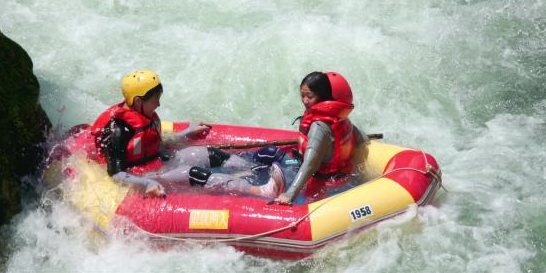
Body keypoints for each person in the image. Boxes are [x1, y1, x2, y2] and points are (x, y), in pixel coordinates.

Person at [91, 69, 285, 199]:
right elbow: (116, 174)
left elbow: (155, 143)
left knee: (210, 154)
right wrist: (147, 183)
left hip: (158, 162)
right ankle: (262, 191)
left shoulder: (144, 114)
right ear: (138, 101)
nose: (158, 104)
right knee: (196, 174)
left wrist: (186, 133)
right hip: (141, 175)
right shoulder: (118, 130)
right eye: (154, 101)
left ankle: (256, 169)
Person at [273, 71, 369, 205]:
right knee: (272, 153)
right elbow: (363, 140)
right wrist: (360, 173)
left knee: (273, 159)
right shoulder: (340, 117)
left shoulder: (319, 127)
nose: (305, 100)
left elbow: (310, 164)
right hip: (341, 175)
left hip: (322, 181)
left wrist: (290, 194)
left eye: (310, 96)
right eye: (302, 95)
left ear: (322, 96)